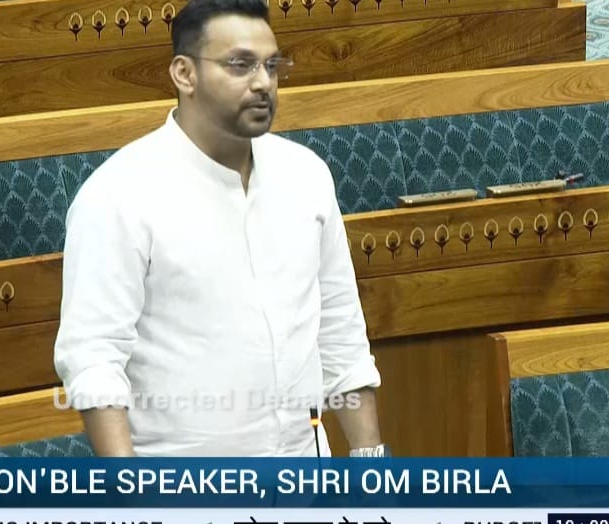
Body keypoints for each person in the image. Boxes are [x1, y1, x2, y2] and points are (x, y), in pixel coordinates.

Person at [53, 0, 383, 457]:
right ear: (184, 74)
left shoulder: (306, 176)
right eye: (240, 65)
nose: (263, 82)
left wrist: (371, 464)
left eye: (271, 65)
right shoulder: (117, 195)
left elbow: (341, 333)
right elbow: (94, 361)